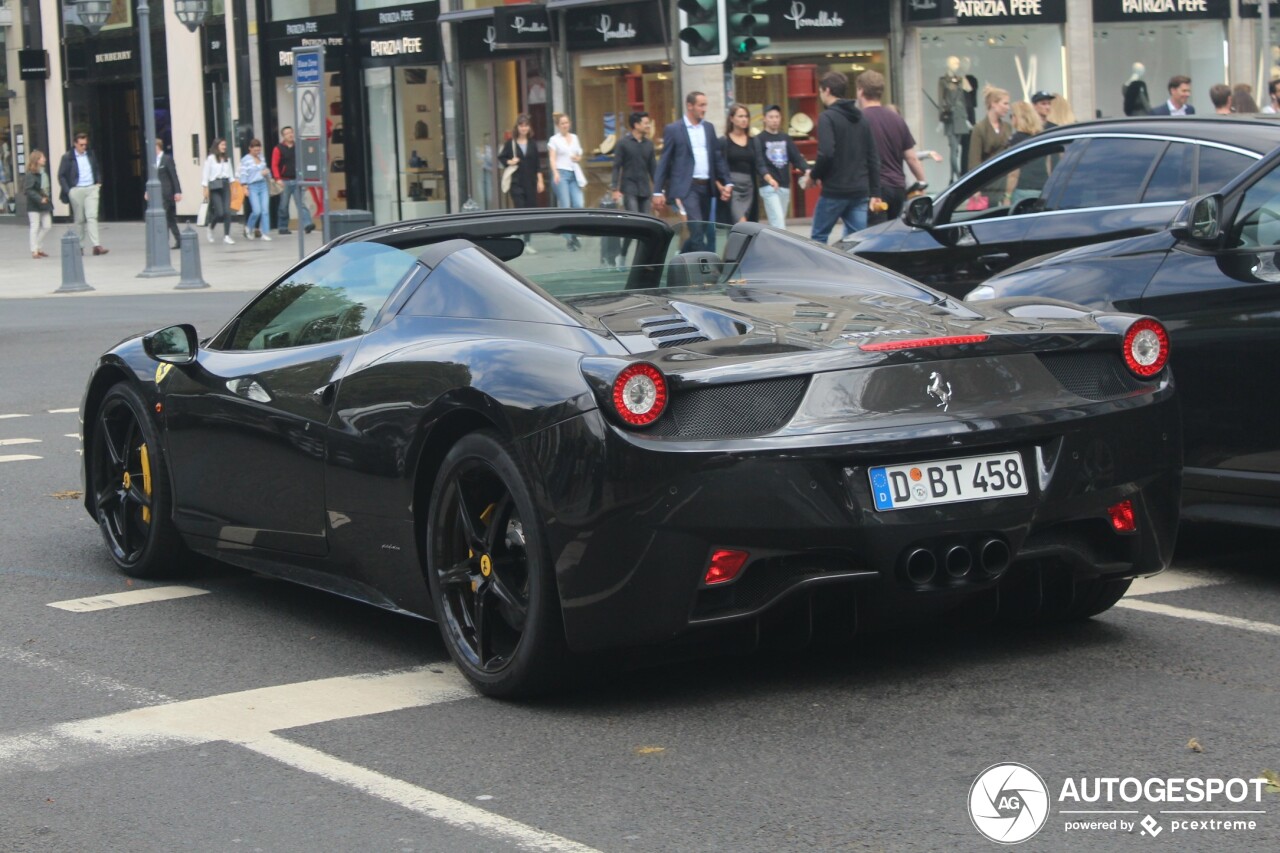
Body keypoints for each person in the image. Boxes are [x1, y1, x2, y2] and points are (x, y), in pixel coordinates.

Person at [653, 91, 733, 251]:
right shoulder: (674, 129)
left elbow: (717, 157)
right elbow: (665, 161)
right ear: (690, 106)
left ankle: (681, 259)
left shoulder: (709, 128)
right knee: (696, 228)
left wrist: (727, 181)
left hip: (706, 187)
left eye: (706, 105)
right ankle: (706, 269)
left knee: (700, 229)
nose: (704, 109)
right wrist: (657, 191)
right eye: (701, 105)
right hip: (687, 188)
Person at [809, 71, 882, 244]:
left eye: (820, 91)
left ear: (826, 90)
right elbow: (873, 156)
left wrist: (813, 176)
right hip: (859, 191)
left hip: (834, 190)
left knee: (818, 239)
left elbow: (826, 153)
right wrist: (875, 191)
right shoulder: (861, 118)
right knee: (857, 240)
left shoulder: (827, 117)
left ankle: (819, 270)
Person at [857, 70, 926, 225]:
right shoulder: (897, 119)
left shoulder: (860, 119)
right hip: (898, 188)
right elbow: (911, 157)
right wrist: (922, 182)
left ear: (861, 90)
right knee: (892, 232)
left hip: (875, 189)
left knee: (872, 235)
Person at [754, 105, 810, 229]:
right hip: (769, 187)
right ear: (764, 119)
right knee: (779, 223)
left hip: (785, 186)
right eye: (771, 117)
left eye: (777, 117)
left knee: (778, 224)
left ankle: (771, 246)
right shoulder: (759, 139)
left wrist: (807, 170)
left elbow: (796, 158)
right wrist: (768, 179)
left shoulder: (785, 138)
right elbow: (759, 163)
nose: (774, 120)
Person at [610, 111, 656, 260]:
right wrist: (615, 189)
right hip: (629, 188)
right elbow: (617, 166)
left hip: (644, 189)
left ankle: (639, 259)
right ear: (636, 125)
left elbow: (653, 168)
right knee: (635, 223)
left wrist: (659, 191)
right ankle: (622, 255)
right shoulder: (623, 143)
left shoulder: (649, 144)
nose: (648, 125)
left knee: (645, 226)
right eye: (645, 123)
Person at [499, 113, 545, 252]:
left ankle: (527, 242)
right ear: (517, 127)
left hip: (530, 182)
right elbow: (501, 157)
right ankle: (519, 238)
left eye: (526, 126)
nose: (523, 128)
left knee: (530, 212)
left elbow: (537, 165)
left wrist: (540, 181)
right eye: (521, 126)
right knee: (520, 209)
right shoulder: (511, 143)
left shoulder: (532, 144)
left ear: (529, 127)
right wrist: (510, 161)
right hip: (516, 182)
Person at [57, 132, 108, 255]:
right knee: (79, 219)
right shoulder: (68, 157)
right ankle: (80, 246)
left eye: (85, 144)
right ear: (75, 144)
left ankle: (96, 245)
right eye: (81, 145)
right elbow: (61, 175)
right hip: (76, 189)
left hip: (91, 188)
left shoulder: (90, 154)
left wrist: (98, 182)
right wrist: (68, 190)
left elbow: (96, 168)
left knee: (92, 216)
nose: (83, 147)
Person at [547, 113, 585, 250]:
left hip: (574, 173)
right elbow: (552, 158)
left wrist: (578, 158)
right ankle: (569, 239)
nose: (565, 125)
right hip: (561, 174)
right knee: (566, 206)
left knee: (578, 204)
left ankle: (574, 233)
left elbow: (579, 155)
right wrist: (555, 172)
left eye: (567, 123)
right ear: (558, 125)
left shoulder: (574, 137)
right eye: (562, 123)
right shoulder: (554, 140)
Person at [1003, 102, 1049, 209]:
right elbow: (1048, 165)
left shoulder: (1015, 140)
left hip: (1022, 189)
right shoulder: (1041, 138)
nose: (1011, 119)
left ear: (1018, 118)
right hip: (1042, 188)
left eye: (1012, 115)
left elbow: (1013, 173)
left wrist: (1007, 196)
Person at [272, 126, 315, 235]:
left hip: (297, 180)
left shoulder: (298, 147)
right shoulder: (278, 148)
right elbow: (274, 165)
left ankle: (307, 224)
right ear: (283, 136)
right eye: (287, 133)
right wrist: (277, 178)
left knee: (301, 203)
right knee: (283, 205)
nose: (290, 135)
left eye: (291, 132)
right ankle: (282, 227)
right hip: (284, 180)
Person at [719, 104, 758, 223]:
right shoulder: (724, 141)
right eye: (740, 116)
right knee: (741, 222)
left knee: (746, 224)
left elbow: (759, 164)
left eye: (746, 116)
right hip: (732, 186)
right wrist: (721, 187)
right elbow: (718, 166)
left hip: (749, 187)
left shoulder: (753, 141)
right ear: (731, 118)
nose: (744, 119)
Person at [146, 139, 183, 249]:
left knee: (163, 217)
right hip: (157, 194)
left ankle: (163, 242)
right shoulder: (152, 161)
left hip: (167, 193)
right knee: (170, 218)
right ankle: (179, 239)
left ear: (157, 147)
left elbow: (173, 175)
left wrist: (177, 191)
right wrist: (147, 190)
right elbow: (150, 178)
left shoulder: (167, 159)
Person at [968, 85, 1012, 172]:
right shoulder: (980, 128)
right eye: (1005, 103)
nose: (1008, 108)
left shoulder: (1007, 127)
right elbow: (974, 161)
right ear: (994, 104)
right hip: (988, 177)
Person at [201, 138, 236, 244]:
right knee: (219, 212)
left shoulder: (226, 159)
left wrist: (233, 187)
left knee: (227, 211)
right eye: (222, 145)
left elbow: (230, 174)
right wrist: (205, 188)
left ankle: (226, 235)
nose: (224, 147)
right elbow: (206, 174)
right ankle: (211, 227)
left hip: (225, 184)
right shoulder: (211, 158)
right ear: (217, 146)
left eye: (225, 145)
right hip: (215, 186)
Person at [239, 138, 273, 240]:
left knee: (265, 210)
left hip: (263, 185)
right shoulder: (245, 160)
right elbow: (243, 174)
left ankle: (265, 233)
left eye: (259, 150)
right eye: (255, 150)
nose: (257, 152)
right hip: (252, 186)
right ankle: (249, 227)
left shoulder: (261, 157)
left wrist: (269, 175)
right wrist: (245, 187)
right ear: (250, 148)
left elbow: (265, 169)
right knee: (256, 210)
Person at [24, 149, 53, 259]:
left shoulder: (42, 173)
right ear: (37, 160)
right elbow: (28, 190)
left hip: (44, 202)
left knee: (47, 225)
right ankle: (34, 250)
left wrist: (45, 197)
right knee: (34, 226)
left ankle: (37, 246)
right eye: (42, 158)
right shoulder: (30, 175)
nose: (44, 159)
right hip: (34, 204)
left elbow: (45, 188)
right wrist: (39, 198)